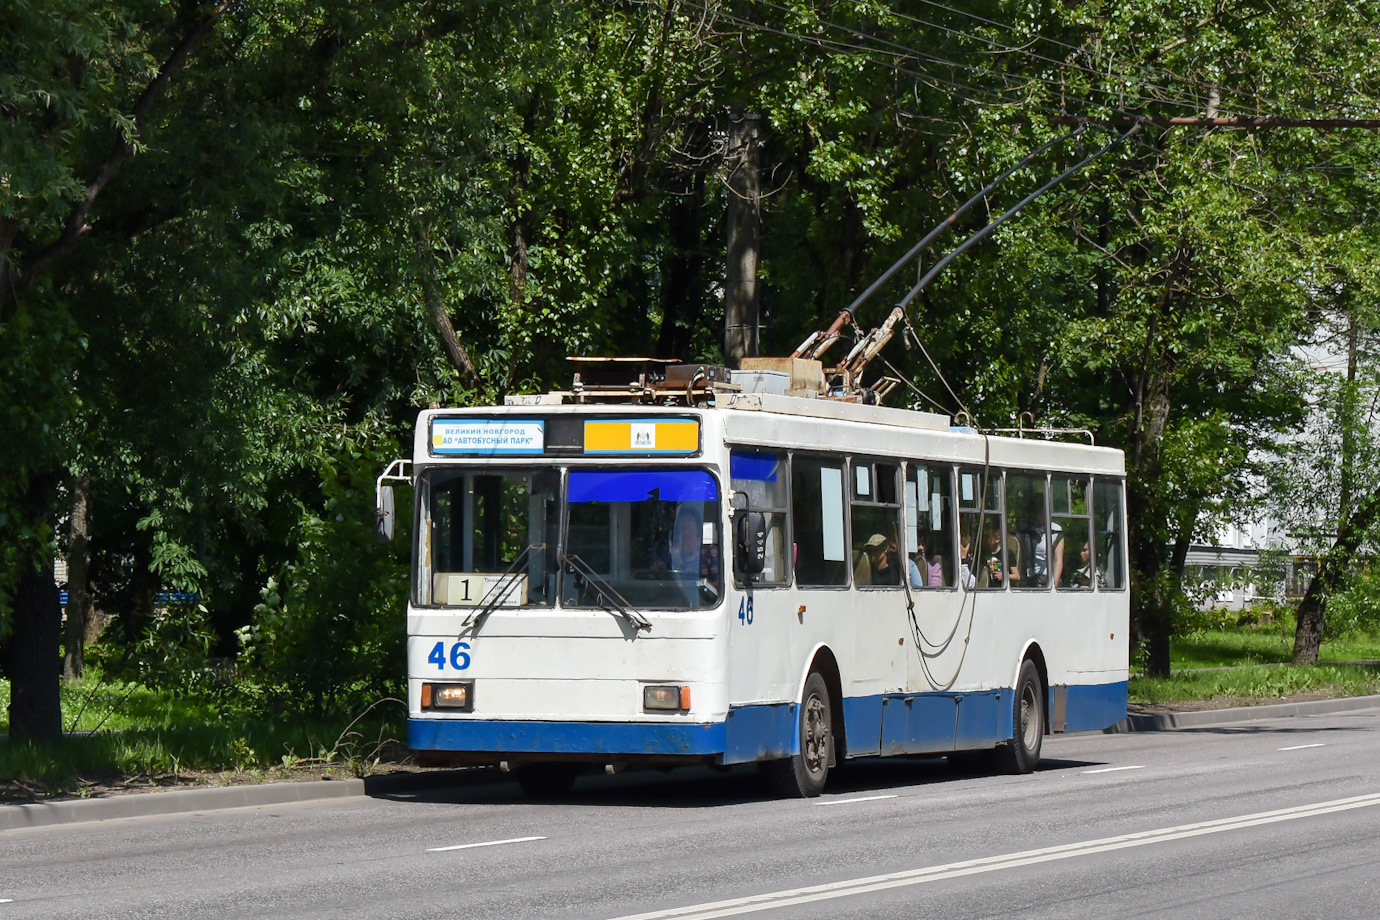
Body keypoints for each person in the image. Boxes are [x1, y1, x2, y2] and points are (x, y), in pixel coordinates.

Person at [656, 504, 720, 585]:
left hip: (701, 597)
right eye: (682, 520)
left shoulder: (709, 550)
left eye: (690, 520)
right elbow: (656, 575)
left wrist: (699, 588)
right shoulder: (669, 550)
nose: (685, 524)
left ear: (698, 526)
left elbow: (719, 581)